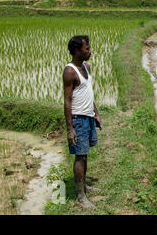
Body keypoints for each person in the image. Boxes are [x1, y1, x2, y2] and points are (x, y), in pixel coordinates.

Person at [63, 35, 102, 210]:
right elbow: (67, 100)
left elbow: (88, 92)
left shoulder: (86, 67)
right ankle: (80, 196)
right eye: (87, 49)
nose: (90, 51)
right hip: (78, 118)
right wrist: (70, 129)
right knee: (80, 156)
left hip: (87, 116)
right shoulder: (70, 71)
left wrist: (96, 113)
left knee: (85, 154)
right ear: (77, 51)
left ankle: (84, 187)